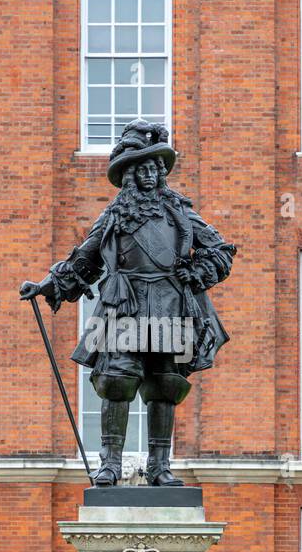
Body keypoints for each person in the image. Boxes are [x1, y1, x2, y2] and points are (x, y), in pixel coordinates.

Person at [20, 120, 236, 486]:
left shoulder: (180, 212)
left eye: (155, 168)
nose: (150, 175)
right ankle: (111, 464)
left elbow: (218, 250)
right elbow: (84, 260)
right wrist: (45, 285)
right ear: (129, 176)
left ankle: (159, 466)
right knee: (118, 380)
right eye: (142, 169)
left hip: (171, 304)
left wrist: (195, 273)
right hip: (126, 303)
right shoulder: (114, 216)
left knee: (166, 384)